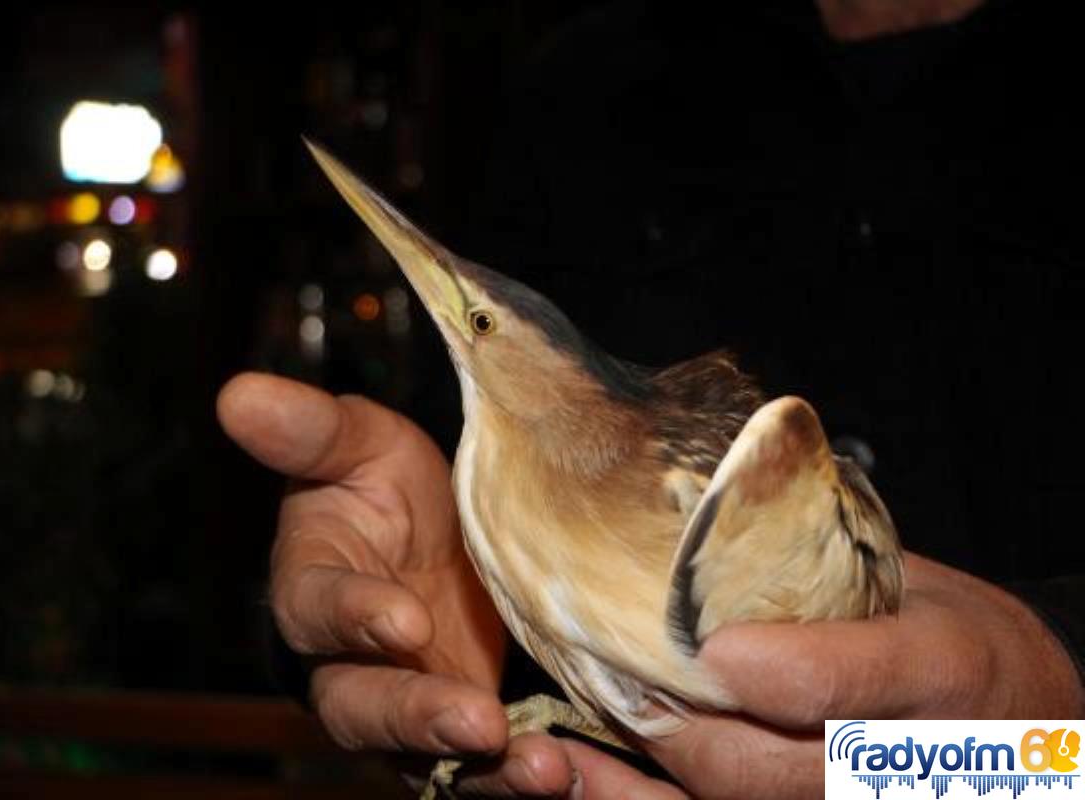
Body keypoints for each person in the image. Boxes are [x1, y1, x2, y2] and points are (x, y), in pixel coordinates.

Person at [219, 1, 1085, 797]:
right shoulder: (582, 87)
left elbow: (1014, 762)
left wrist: (1017, 761)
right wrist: (377, 616)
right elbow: (451, 457)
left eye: (472, 318)